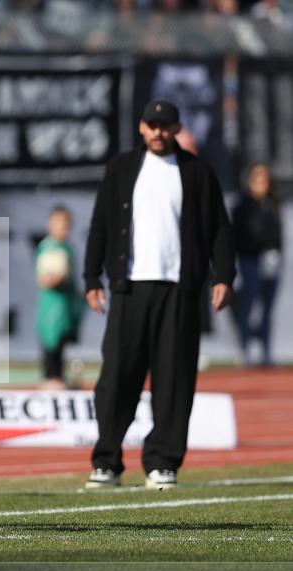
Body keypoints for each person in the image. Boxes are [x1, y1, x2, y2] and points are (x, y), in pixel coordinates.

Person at [83, 99, 235, 491]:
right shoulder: (121, 168)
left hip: (179, 290)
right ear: (141, 126)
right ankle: (107, 461)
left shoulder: (197, 171)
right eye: (152, 124)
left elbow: (220, 228)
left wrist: (223, 275)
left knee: (174, 378)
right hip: (129, 287)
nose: (158, 132)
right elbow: (100, 225)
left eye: (165, 126)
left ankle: (163, 462)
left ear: (177, 129)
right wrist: (92, 277)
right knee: (117, 377)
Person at [231, 163, 282, 367]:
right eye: (258, 179)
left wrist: (275, 252)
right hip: (249, 260)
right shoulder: (242, 205)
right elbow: (237, 235)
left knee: (267, 308)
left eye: (265, 180)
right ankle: (244, 350)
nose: (262, 184)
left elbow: (278, 234)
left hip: (270, 261)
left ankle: (266, 352)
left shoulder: (273, 204)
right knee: (247, 305)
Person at [35, 206, 82, 390]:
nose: (64, 228)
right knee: (51, 344)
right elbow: (45, 279)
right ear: (50, 224)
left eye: (67, 223)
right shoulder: (50, 247)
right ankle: (52, 381)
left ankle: (57, 379)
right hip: (52, 309)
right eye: (59, 223)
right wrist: (56, 277)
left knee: (60, 344)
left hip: (64, 307)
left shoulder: (66, 247)